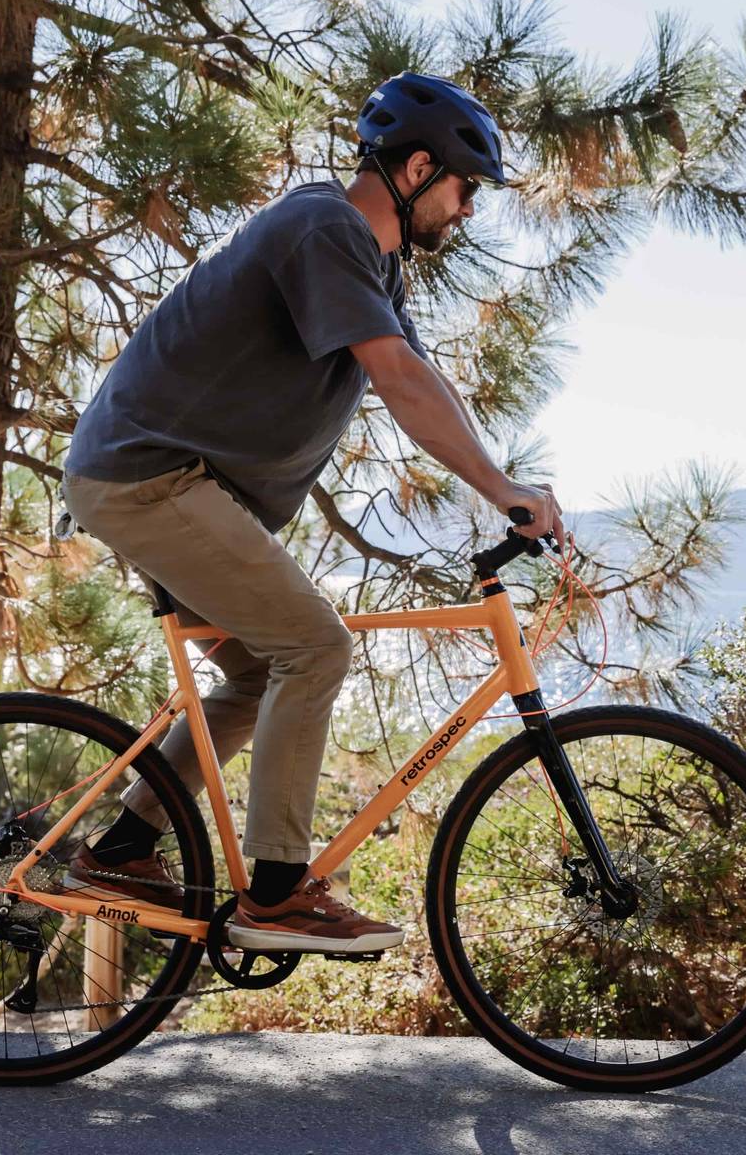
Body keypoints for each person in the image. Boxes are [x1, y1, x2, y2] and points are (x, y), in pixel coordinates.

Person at [60, 71, 566, 955]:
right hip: (149, 478)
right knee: (316, 645)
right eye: (465, 187)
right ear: (416, 169)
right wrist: (503, 489)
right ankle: (278, 896)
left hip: (170, 482)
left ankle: (124, 849)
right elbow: (397, 376)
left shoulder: (372, 257)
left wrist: (503, 478)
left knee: (258, 673)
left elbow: (415, 371)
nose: (470, 210)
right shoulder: (324, 226)